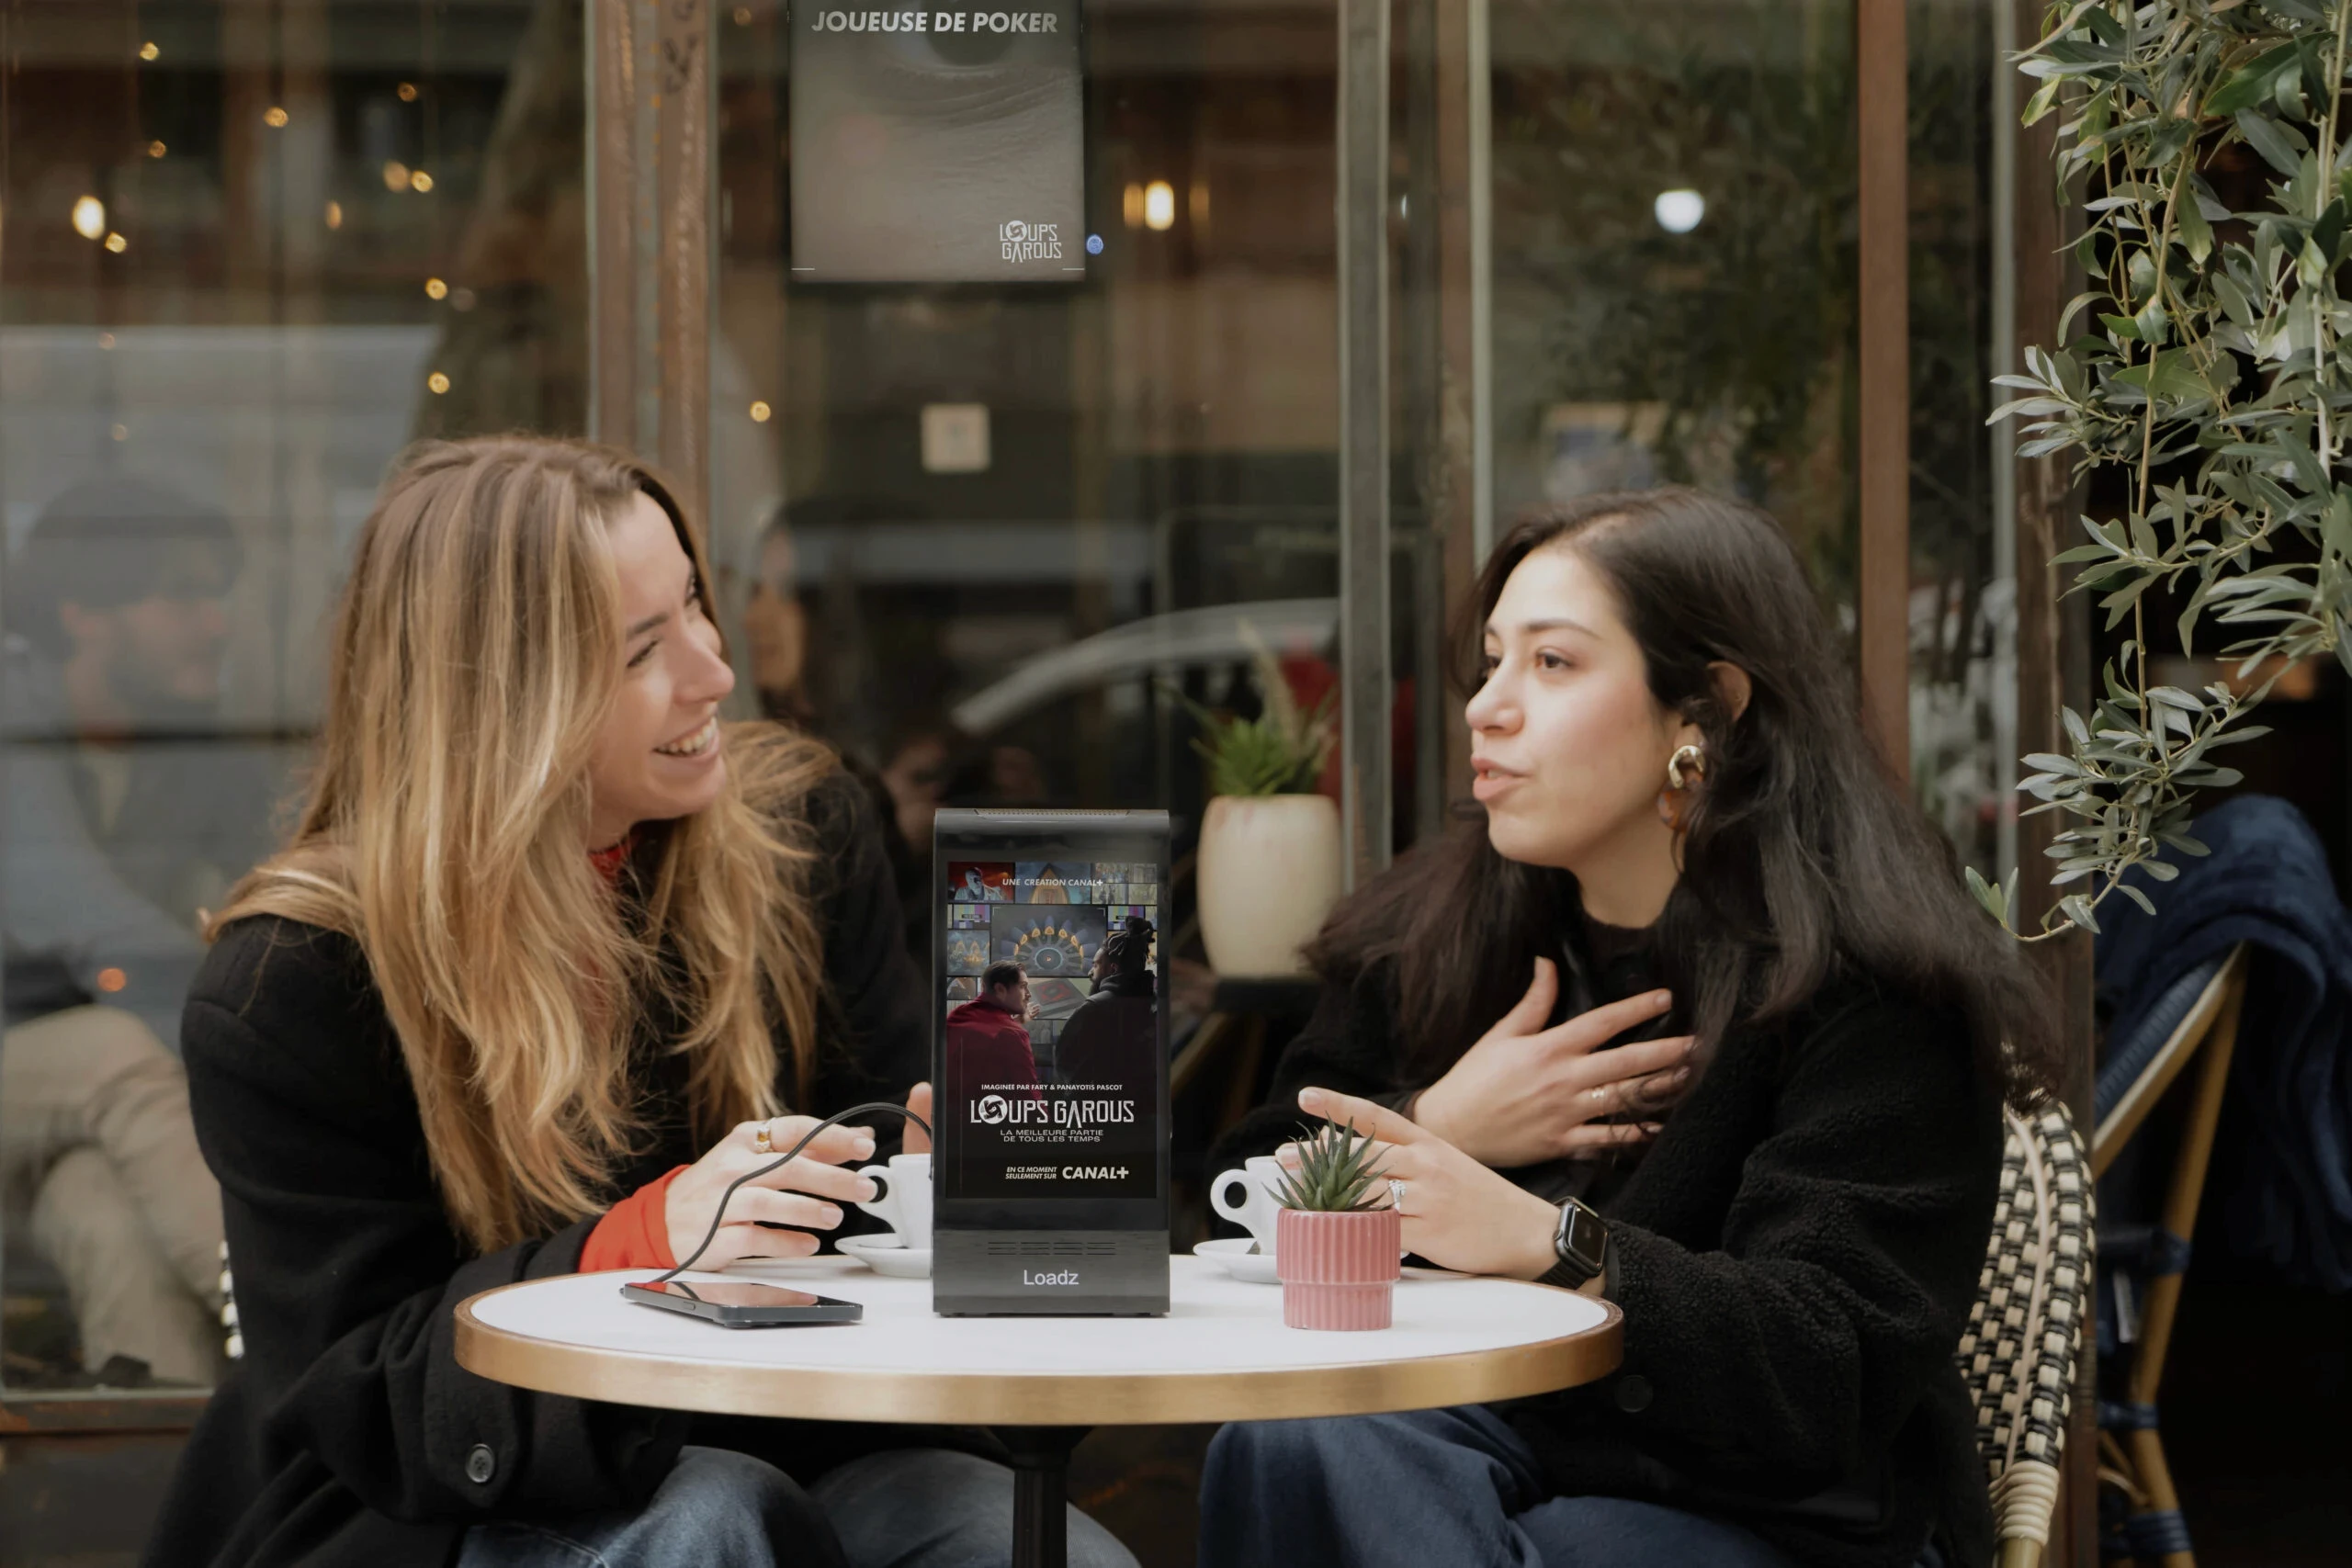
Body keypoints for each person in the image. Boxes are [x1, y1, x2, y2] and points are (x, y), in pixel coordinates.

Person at [144, 439, 1134, 1568]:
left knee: (1028, 1547)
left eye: (697, 606)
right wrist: (647, 1242)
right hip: (444, 1507)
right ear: (501, 705)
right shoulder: (295, 981)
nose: (714, 671)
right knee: (712, 1520)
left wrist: (958, 1177)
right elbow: (372, 1402)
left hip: (798, 1437)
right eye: (641, 650)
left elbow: (890, 1163)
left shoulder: (802, 836)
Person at [1198, 488, 2054, 1568]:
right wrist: (1436, 1124)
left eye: (1551, 664)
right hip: (1478, 1448)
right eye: (1493, 660)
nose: (1485, 707)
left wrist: (1552, 1245)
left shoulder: (1862, 974)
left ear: (1704, 714)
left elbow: (1825, 1361)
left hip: (1772, 1514)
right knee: (1295, 1448)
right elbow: (1235, 1207)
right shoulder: (1433, 933)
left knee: (1513, 1527)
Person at [1, 476, 263, 1384]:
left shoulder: (184, 751)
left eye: (215, 597)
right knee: (117, 1051)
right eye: (183, 595)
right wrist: (259, 1042)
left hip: (61, 1119)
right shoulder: (10, 712)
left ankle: (170, 1494)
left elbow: (282, 902)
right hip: (59, 1074)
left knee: (110, 1215)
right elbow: (86, 920)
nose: (216, 624)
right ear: (82, 612)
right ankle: (286, 1326)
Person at [1055, 918, 1157, 1106]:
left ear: (1113, 968)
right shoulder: (1157, 1005)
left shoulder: (1092, 1008)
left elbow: (1064, 1063)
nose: (1090, 972)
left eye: (1095, 965)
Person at [944, 962, 1041, 1109]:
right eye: (1022, 986)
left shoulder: (959, 1013)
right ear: (1000, 989)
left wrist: (1015, 1022)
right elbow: (1029, 1096)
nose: (1029, 994)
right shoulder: (1013, 1035)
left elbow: (984, 1035)